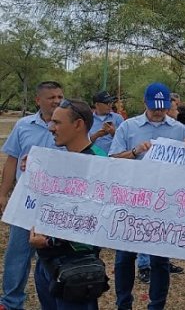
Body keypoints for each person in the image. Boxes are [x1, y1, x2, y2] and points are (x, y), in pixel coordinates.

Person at [109, 82, 185, 310]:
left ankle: (157, 305)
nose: (158, 111)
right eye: (154, 106)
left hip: (163, 202)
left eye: (163, 106)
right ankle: (123, 304)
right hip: (131, 199)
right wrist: (135, 152)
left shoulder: (178, 129)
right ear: (144, 103)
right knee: (125, 258)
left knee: (160, 259)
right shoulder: (128, 127)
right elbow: (112, 159)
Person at [29, 99, 109, 310]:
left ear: (78, 125)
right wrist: (35, 172)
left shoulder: (99, 163)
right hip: (47, 264)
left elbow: (92, 218)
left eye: (57, 122)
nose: (51, 128)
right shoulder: (60, 160)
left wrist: (49, 241)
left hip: (77, 268)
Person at [0, 81, 64, 310]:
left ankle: (55, 300)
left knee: (53, 255)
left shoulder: (68, 126)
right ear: (38, 100)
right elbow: (12, 160)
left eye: (59, 96)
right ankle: (10, 302)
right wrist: (2, 194)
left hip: (57, 204)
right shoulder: (23, 125)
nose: (57, 101)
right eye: (51, 97)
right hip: (26, 201)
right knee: (17, 254)